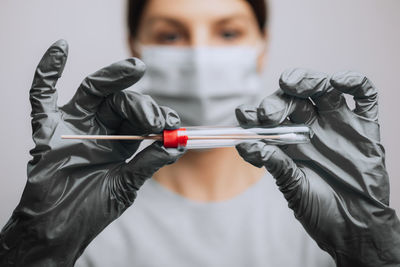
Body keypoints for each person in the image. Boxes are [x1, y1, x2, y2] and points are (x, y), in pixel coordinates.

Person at [0, 0, 399, 266]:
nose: (199, 55)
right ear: (134, 46)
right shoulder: (84, 211)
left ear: (261, 46)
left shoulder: (323, 209)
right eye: (171, 35)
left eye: (228, 33)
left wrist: (375, 255)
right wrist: (34, 249)